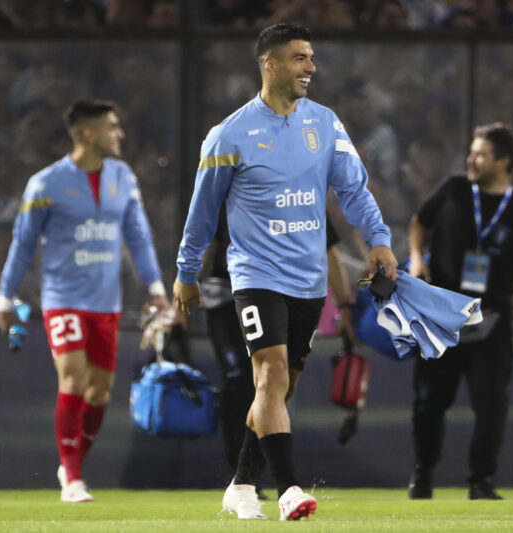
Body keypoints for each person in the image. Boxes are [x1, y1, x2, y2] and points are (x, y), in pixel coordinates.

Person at [173, 23, 397, 521]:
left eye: (312, 58)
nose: (311, 68)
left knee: (280, 388)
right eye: (300, 58)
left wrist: (378, 240)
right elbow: (203, 214)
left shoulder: (326, 124)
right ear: (269, 63)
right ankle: (290, 488)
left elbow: (354, 191)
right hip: (254, 275)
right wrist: (186, 271)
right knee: (270, 374)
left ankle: (240, 484)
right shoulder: (228, 135)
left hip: (307, 280)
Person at [0, 98, 169, 503]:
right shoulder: (45, 183)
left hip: (106, 302)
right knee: (72, 376)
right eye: (113, 127)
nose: (120, 134)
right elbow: (22, 245)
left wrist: (157, 288)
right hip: (63, 298)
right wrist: (6, 297)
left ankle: (70, 461)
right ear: (89, 134)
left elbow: (139, 237)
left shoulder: (123, 177)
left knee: (100, 394)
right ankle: (73, 479)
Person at [407, 122, 513, 500]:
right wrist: (417, 257)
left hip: (490, 322)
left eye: (480, 154)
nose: (471, 159)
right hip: (441, 319)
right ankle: (423, 474)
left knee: (492, 404)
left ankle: (481, 481)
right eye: (472, 152)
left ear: (503, 161)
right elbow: (420, 222)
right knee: (428, 401)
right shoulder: (453, 190)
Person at [200, 210, 354, 496]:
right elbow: (204, 237)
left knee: (280, 383)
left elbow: (329, 249)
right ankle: (281, 487)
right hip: (230, 291)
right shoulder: (231, 182)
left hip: (289, 292)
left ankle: (243, 480)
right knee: (245, 381)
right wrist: (184, 281)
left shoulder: (306, 188)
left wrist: (344, 304)